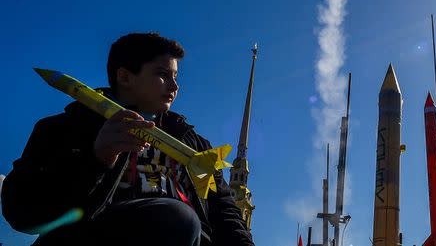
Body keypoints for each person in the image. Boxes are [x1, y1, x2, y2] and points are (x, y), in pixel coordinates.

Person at [1, 32, 254, 246]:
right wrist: (95, 160)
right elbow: (22, 212)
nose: (174, 86)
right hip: (97, 235)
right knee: (177, 217)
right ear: (125, 77)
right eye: (163, 74)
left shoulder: (196, 145)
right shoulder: (66, 128)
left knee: (184, 220)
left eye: (176, 77)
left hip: (188, 235)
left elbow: (225, 212)